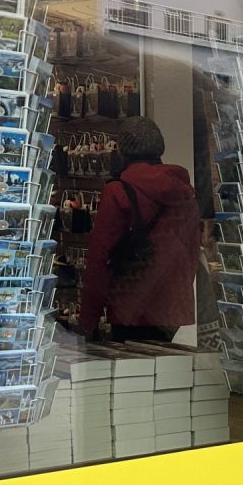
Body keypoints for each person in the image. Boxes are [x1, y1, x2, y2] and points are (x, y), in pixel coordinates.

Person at [76, 118, 201, 343]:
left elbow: (100, 258)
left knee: (130, 374)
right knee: (162, 372)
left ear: (123, 150)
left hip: (130, 305)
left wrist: (89, 318)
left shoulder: (118, 192)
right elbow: (191, 254)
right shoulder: (184, 193)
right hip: (172, 308)